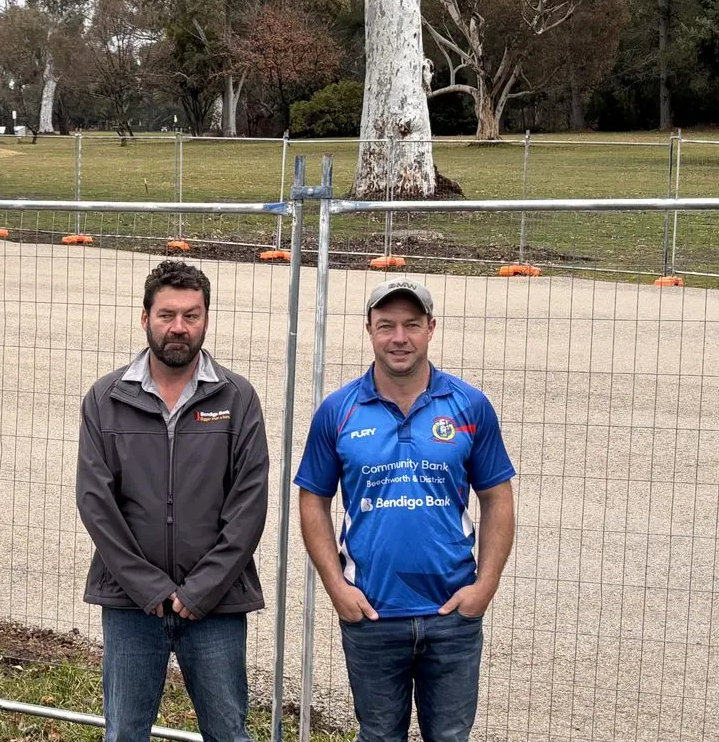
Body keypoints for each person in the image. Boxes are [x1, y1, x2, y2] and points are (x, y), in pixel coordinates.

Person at [295, 277, 516, 742]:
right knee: (377, 735)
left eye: (411, 325)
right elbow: (313, 498)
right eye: (387, 326)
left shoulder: (469, 405)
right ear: (369, 330)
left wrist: (485, 586)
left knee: (451, 736)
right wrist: (336, 586)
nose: (399, 338)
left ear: (431, 328)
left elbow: (497, 497)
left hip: (452, 615)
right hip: (372, 614)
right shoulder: (338, 410)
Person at [75, 259, 270, 742]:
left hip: (216, 605)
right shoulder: (106, 398)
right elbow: (96, 502)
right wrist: (149, 588)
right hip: (131, 606)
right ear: (145, 319)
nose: (179, 327)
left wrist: (201, 589)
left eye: (192, 315)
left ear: (206, 318)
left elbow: (249, 503)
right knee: (124, 734)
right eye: (167, 315)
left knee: (228, 731)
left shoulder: (237, 397)